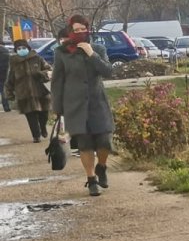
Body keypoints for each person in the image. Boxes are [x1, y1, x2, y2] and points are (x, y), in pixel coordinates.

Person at [50, 16, 114, 196]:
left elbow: (108, 71)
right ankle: (91, 179)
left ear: (88, 29)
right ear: (70, 31)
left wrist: (91, 54)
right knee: (85, 144)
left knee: (104, 142)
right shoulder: (61, 52)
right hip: (74, 105)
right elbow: (57, 81)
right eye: (76, 30)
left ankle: (101, 167)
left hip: (97, 103)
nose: (79, 33)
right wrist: (57, 107)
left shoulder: (98, 49)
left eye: (82, 29)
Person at [5, 39, 51, 142]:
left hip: (41, 92)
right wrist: (9, 93)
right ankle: (36, 135)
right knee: (31, 116)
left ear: (28, 48)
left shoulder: (38, 58)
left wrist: (41, 74)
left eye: (24, 48)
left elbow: (49, 70)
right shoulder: (14, 63)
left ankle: (43, 127)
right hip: (24, 94)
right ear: (16, 50)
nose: (22, 50)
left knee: (44, 114)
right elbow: (10, 79)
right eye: (19, 49)